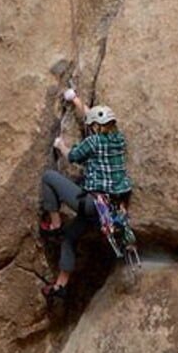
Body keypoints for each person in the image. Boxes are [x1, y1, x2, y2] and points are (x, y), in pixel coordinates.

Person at [39, 89, 133, 301]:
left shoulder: (93, 142)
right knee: (70, 238)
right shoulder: (118, 139)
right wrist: (76, 101)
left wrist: (60, 145)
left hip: (91, 203)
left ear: (96, 127)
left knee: (48, 177)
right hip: (108, 210)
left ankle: (54, 225)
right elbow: (93, 117)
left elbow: (72, 156)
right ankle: (61, 285)